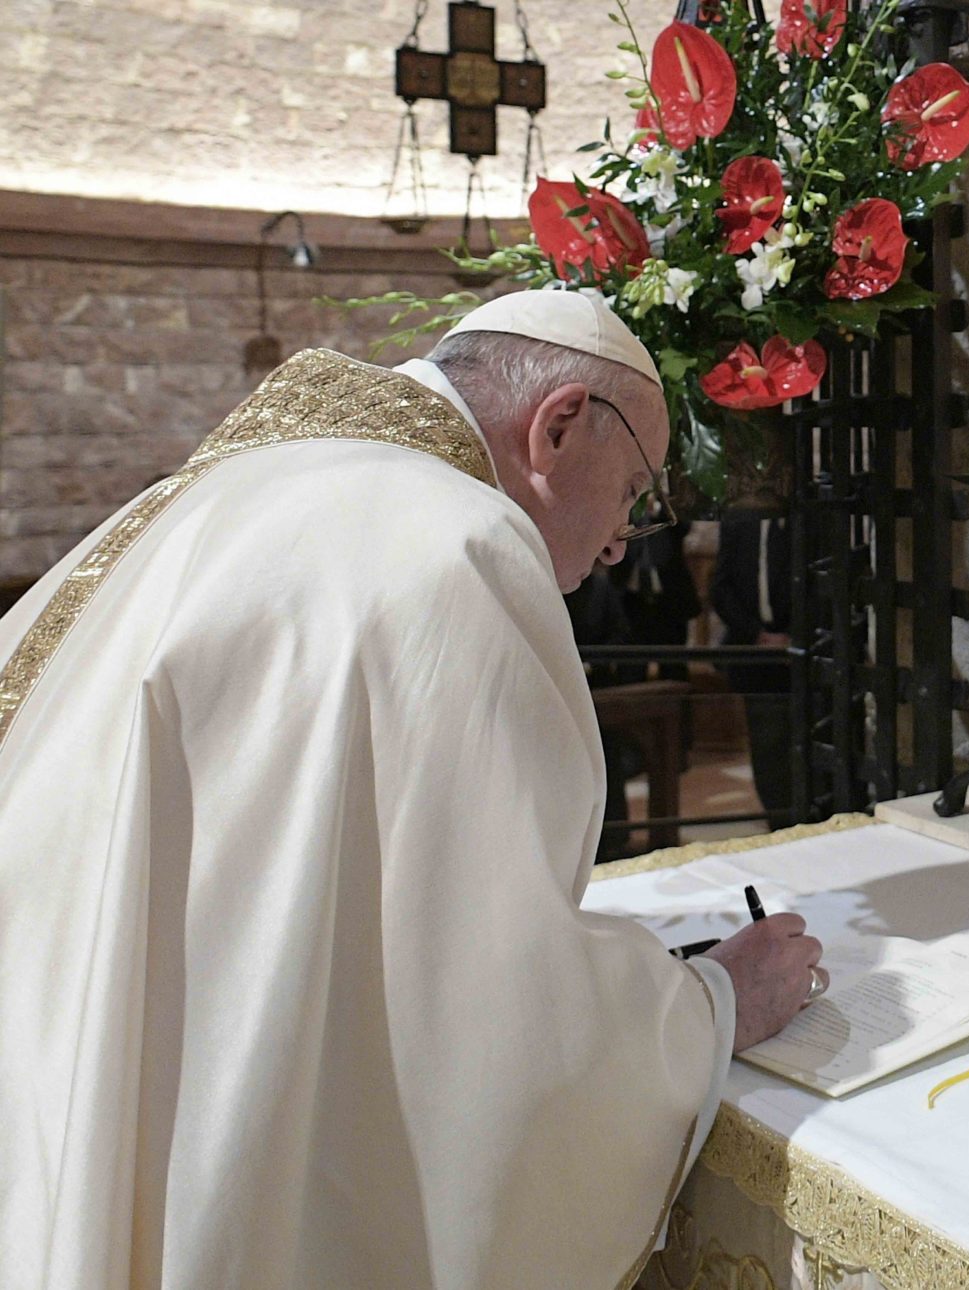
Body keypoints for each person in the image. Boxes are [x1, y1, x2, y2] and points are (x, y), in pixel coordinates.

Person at [0, 290, 824, 1289]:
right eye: (633, 491)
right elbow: (493, 1007)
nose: (621, 541)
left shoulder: (221, 490)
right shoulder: (456, 545)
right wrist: (716, 1001)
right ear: (559, 426)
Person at [711, 509, 798, 830]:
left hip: (801, 652)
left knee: (804, 737)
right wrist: (757, 635)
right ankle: (778, 820)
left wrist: (794, 635)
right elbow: (721, 587)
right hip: (755, 652)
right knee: (767, 745)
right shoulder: (739, 522)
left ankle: (809, 819)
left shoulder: (805, 520)